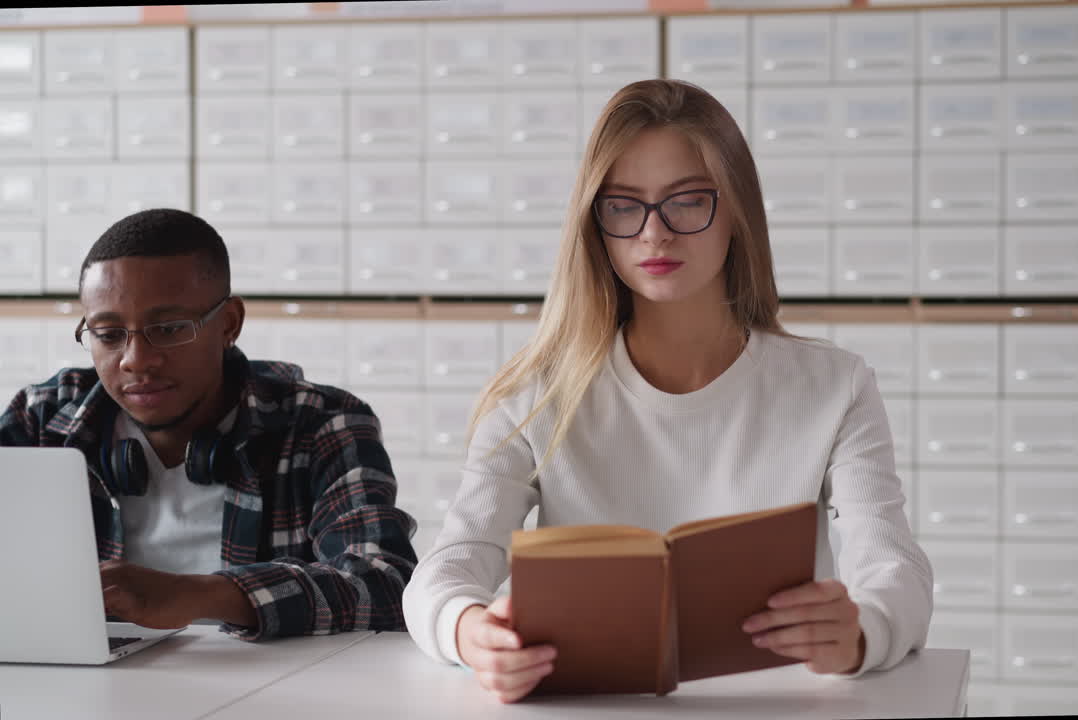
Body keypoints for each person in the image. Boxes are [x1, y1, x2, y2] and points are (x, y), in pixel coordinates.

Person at [402, 79, 933, 703]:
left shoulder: (834, 386)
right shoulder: (533, 396)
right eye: (624, 206)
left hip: (768, 708)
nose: (654, 234)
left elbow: (897, 573)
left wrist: (863, 631)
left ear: (736, 211)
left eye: (687, 201)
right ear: (596, 224)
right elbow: (445, 572)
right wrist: (470, 632)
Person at [0, 208, 418, 639]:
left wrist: (198, 595)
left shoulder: (322, 423)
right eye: (108, 335)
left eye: (168, 329)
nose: (135, 360)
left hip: (269, 680)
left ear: (229, 324)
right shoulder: (42, 420)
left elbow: (386, 583)